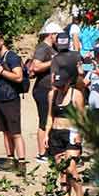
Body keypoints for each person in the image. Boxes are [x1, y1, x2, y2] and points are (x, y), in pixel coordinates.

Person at [48, 58, 85, 196]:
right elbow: (49, 116)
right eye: (57, 85)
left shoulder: (76, 95)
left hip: (71, 133)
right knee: (62, 171)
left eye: (61, 85)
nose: (59, 88)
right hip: (55, 134)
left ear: (68, 82)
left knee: (71, 168)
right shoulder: (52, 94)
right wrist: (46, 135)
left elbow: (82, 117)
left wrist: (80, 134)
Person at [0, 31, 26, 173]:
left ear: (2, 41)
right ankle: (10, 159)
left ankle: (21, 163)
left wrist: (2, 72)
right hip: (0, 98)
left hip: (11, 98)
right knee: (5, 131)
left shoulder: (12, 57)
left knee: (15, 132)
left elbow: (19, 77)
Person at [30, 21, 62, 163]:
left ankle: (49, 150)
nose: (59, 38)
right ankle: (42, 153)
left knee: (52, 120)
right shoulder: (43, 48)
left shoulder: (52, 48)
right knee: (44, 121)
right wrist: (53, 61)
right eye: (57, 35)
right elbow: (35, 67)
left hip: (51, 90)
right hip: (43, 90)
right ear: (51, 35)